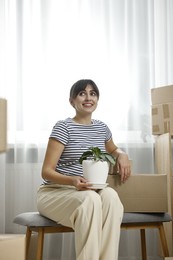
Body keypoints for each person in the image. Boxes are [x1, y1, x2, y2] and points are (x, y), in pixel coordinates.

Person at [37, 79, 131, 260]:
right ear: (72, 101)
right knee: (90, 199)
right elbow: (46, 171)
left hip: (89, 192)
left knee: (111, 196)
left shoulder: (102, 128)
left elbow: (113, 149)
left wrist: (122, 154)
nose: (88, 98)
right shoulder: (63, 127)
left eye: (93, 93)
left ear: (97, 99)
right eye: (82, 93)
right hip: (56, 192)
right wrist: (72, 180)